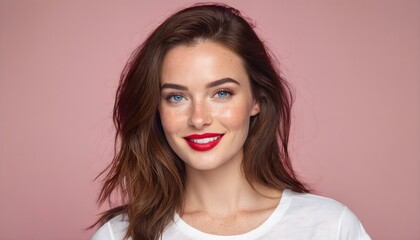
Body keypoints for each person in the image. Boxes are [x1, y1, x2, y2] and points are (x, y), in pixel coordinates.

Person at [91, 3, 371, 240]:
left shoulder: (330, 227)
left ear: (257, 100)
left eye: (221, 93)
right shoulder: (119, 235)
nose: (199, 119)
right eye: (176, 97)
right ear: (156, 107)